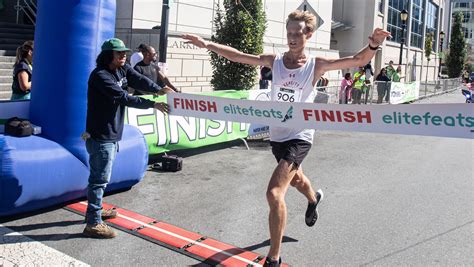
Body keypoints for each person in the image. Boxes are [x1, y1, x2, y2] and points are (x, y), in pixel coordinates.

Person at [183, 10, 390, 267]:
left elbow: (358, 59)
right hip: (278, 135)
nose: (292, 38)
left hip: (300, 135)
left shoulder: (317, 64)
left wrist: (373, 43)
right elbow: (237, 56)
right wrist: (207, 44)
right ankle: (314, 199)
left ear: (309, 35)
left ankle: (274, 257)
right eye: (289, 33)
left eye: (297, 33)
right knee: (296, 180)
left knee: (274, 193)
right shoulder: (275, 60)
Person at [83, 38, 174, 239]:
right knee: (99, 179)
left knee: (102, 177)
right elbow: (123, 97)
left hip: (112, 132)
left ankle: (96, 210)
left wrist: (159, 89)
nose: (124, 56)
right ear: (109, 56)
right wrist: (153, 103)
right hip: (100, 135)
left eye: (124, 52)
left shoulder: (122, 70)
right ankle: (93, 223)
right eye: (119, 53)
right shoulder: (100, 76)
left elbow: (138, 79)